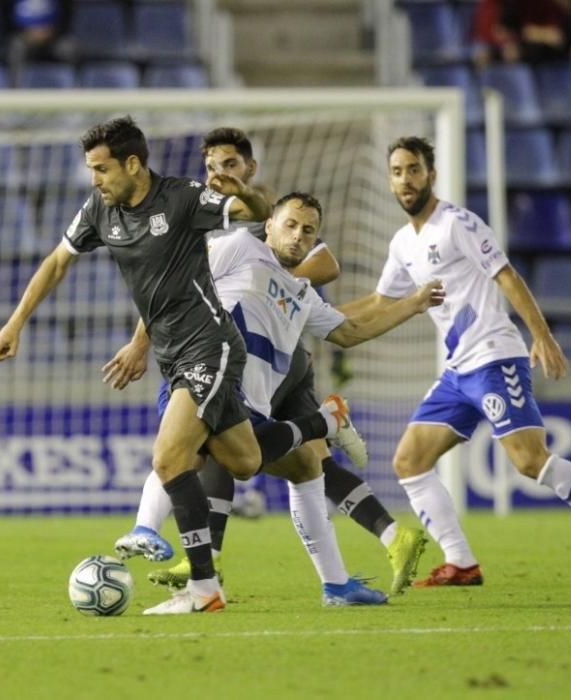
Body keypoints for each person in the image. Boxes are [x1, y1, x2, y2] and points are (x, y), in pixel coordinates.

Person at [0, 117, 360, 615]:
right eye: (91, 170)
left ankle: (203, 589)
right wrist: (14, 324)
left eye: (101, 169)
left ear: (133, 164)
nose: (95, 180)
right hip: (172, 351)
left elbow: (251, 212)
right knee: (245, 461)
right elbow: (58, 261)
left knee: (170, 459)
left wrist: (244, 194)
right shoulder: (101, 208)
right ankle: (326, 421)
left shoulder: (183, 198)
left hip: (210, 344)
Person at [112, 128, 431, 596]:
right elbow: (173, 276)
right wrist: (141, 342)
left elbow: (350, 331)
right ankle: (155, 535)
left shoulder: (303, 293)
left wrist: (415, 304)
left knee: (289, 467)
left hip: (254, 403)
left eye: (308, 231)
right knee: (201, 455)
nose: (299, 235)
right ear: (270, 226)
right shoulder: (240, 246)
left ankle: (327, 583)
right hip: (211, 375)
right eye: (291, 226)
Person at [347, 135, 571, 587]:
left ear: (430, 175)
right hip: (457, 372)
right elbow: (378, 300)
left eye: (413, 169)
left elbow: (505, 275)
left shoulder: (457, 224)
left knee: (530, 462)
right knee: (409, 461)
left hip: (493, 358)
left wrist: (542, 336)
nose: (405, 180)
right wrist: (319, 316)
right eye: (397, 172)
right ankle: (461, 563)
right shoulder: (401, 243)